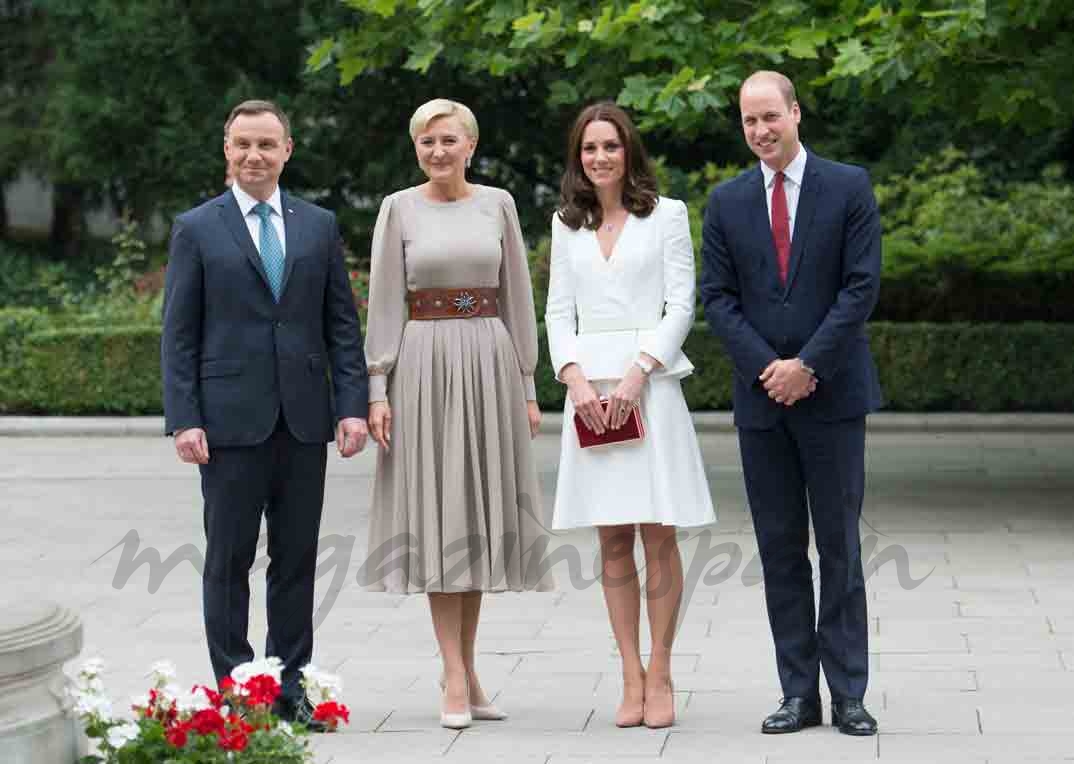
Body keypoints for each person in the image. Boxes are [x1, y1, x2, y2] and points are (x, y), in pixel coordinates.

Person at [161, 100, 369, 730]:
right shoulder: (197, 228)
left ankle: (288, 689)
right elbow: (179, 333)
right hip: (227, 424)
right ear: (226, 149)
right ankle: (235, 691)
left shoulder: (317, 225)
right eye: (242, 145)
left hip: (305, 422)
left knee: (297, 560)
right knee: (227, 560)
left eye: (267, 145)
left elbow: (341, 325)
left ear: (288, 150)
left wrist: (351, 407)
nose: (255, 156)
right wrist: (184, 418)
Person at [360, 98, 554, 729]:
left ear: (470, 144)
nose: (436, 151)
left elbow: (518, 292)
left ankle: (468, 672)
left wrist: (527, 380)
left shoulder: (499, 204)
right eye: (425, 142)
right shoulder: (399, 209)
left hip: (490, 363)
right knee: (442, 518)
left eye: (447, 140)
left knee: (474, 516)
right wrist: (378, 387)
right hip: (424, 365)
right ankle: (451, 674)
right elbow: (386, 298)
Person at [699, 71, 883, 736]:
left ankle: (850, 693)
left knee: (838, 549)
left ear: (796, 113)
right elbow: (716, 297)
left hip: (832, 397)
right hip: (761, 403)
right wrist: (769, 369)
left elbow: (861, 288)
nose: (760, 131)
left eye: (770, 117)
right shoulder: (727, 201)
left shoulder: (848, 187)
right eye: (749, 121)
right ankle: (797, 693)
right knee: (779, 550)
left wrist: (807, 364)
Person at [545, 102, 716, 729]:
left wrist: (641, 371)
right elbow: (559, 312)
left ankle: (663, 669)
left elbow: (681, 302)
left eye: (610, 147)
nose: (599, 158)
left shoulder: (666, 215)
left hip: (651, 385)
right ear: (578, 158)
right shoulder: (566, 224)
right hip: (590, 396)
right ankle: (629, 674)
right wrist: (573, 378)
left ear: (629, 151)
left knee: (657, 532)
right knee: (611, 534)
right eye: (589, 149)